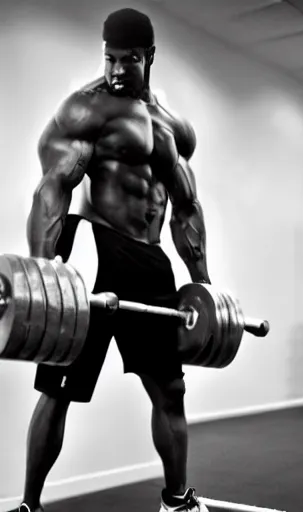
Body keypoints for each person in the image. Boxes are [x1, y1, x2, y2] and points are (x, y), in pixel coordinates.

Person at [11, 8, 210, 512]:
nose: (117, 69)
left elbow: (185, 208)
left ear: (150, 56)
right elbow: (53, 186)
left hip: (152, 261)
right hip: (96, 248)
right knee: (59, 388)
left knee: (171, 389)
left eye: (129, 60)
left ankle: (177, 499)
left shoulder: (173, 130)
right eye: (110, 58)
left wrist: (202, 285)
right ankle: (29, 506)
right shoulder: (87, 110)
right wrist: (43, 271)